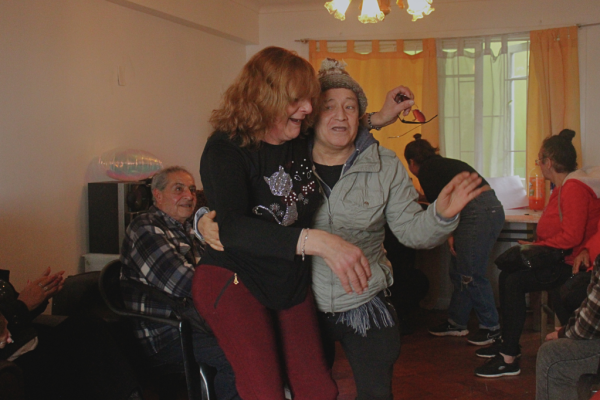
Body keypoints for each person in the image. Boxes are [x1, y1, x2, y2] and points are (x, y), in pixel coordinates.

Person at [195, 54, 484, 399]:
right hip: (264, 281)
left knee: (327, 389)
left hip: (321, 287)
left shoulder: (326, 148)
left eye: (349, 108)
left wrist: (440, 215)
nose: (312, 110)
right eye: (318, 104)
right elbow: (234, 216)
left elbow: (340, 127)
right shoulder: (262, 146)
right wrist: (203, 221)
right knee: (268, 388)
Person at [307, 58, 484, 399]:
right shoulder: (289, 162)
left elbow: (412, 231)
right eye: (328, 106)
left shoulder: (385, 165)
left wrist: (440, 216)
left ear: (359, 116)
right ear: (312, 114)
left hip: (365, 300)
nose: (340, 116)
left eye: (350, 107)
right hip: (302, 303)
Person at [473, 129, 600, 378]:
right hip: (562, 256)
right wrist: (537, 243)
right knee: (509, 275)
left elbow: (572, 237)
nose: (539, 165)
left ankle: (509, 355)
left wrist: (538, 247)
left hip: (571, 263)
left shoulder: (573, 188)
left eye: (539, 160)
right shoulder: (564, 186)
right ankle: (508, 345)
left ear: (548, 162)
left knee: (513, 280)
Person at [120, 166, 240, 400]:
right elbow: (187, 284)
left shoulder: (191, 229)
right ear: (157, 195)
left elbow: (225, 268)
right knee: (238, 358)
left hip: (199, 324)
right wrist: (235, 286)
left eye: (192, 190)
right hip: (168, 334)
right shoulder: (145, 228)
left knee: (261, 343)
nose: (189, 196)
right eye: (178, 189)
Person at [404, 134, 505, 345]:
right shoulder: (444, 164)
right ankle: (457, 322)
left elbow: (442, 211)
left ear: (412, 162)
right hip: (489, 208)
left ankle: (491, 328)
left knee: (470, 273)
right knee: (460, 270)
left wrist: (450, 235)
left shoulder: (427, 171)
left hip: (476, 211)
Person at [0, 268, 142, 400]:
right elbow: (13, 314)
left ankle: (131, 394)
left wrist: (38, 296)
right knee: (86, 348)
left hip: (29, 337)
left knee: (90, 326)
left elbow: (13, 313)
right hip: (16, 357)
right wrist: (23, 305)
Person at [536, 210, 600, 400]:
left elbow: (590, 323)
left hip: (569, 262)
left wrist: (565, 332)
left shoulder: (574, 192)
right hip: (578, 265)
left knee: (551, 356)